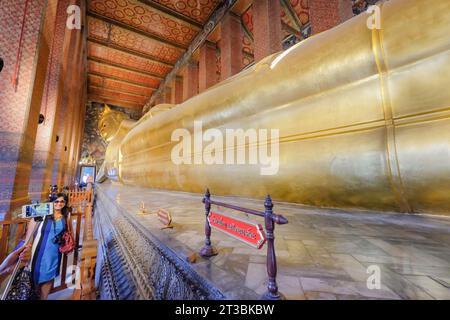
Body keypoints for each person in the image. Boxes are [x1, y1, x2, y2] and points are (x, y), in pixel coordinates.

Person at [25, 193, 71, 299]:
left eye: (62, 201)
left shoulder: (66, 216)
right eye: (56, 201)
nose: (59, 203)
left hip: (54, 253)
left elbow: (68, 233)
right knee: (35, 277)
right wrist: (27, 246)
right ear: (52, 202)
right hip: (39, 250)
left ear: (65, 203)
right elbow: (30, 227)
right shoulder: (42, 211)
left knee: (49, 277)